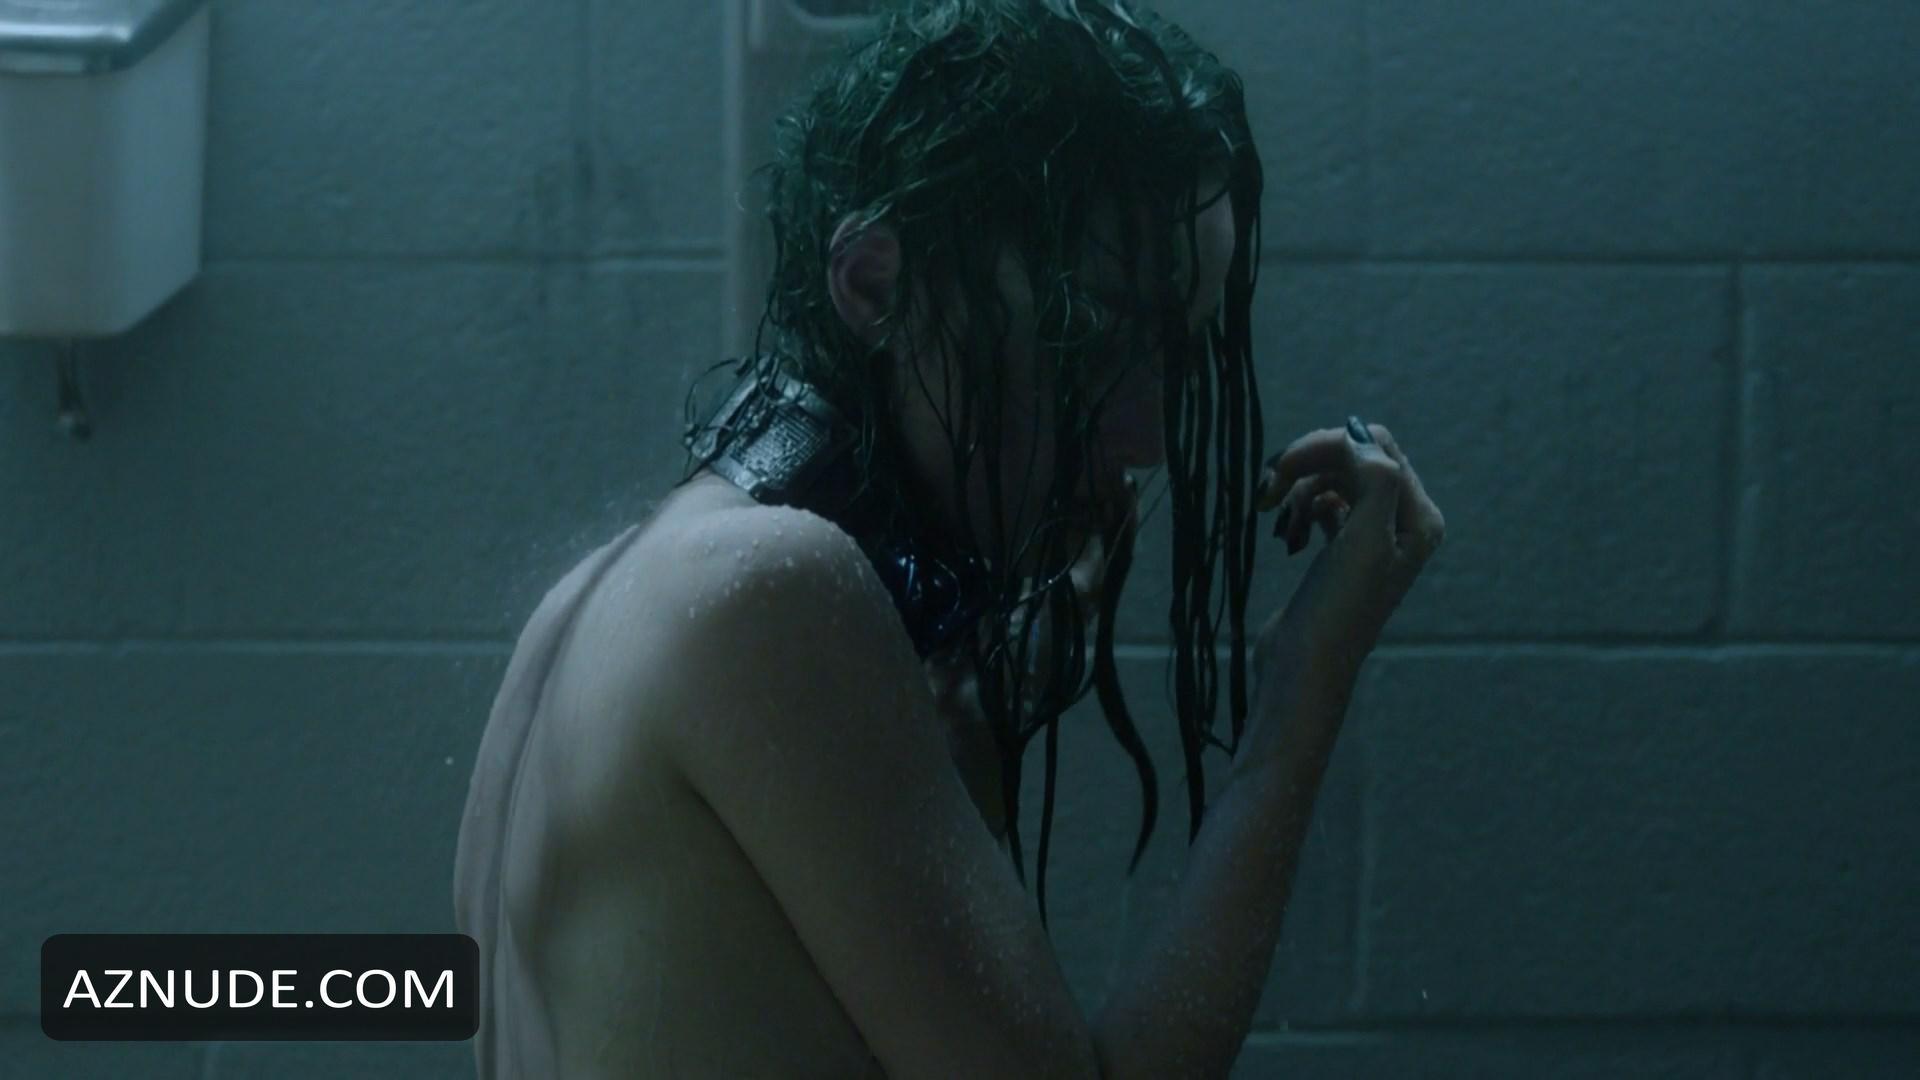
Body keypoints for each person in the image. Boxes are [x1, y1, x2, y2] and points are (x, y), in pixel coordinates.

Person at [453, 1, 1445, 1077]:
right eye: (1098, 334)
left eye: (1177, 353)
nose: (1150, 435)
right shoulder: (771, 593)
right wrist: (1301, 689)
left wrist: (969, 718)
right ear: (876, 285)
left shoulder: (581, 609)